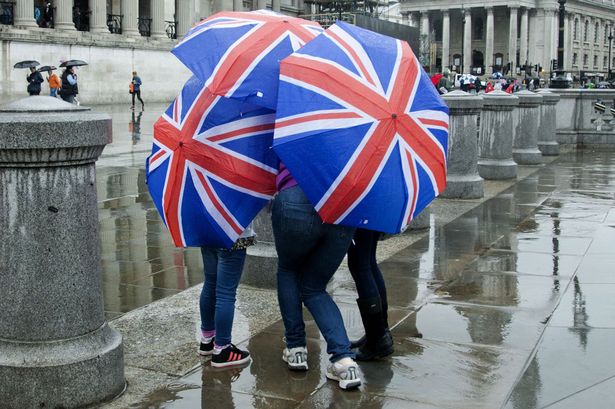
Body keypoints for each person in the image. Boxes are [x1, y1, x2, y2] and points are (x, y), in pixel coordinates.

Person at [272, 163, 361, 390]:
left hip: (295, 196)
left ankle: (296, 350)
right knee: (314, 287)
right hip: (343, 203)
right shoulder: (355, 127)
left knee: (288, 270)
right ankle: (344, 361)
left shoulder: (290, 125)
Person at [198, 229, 255, 368]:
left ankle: (207, 340)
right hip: (234, 234)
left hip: (208, 233)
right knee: (226, 293)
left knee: (210, 283)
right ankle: (222, 349)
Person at [347, 228, 394, 361]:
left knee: (361, 265)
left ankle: (377, 338)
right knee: (368, 262)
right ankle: (380, 332)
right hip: (372, 212)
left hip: (361, 213)